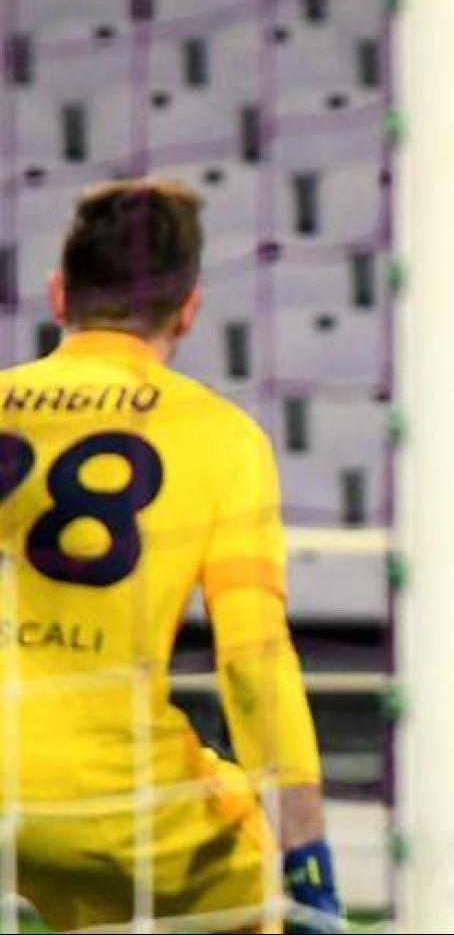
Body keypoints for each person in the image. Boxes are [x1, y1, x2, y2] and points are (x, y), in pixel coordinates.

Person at [1, 179, 341, 931]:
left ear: (58, 296)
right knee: (262, 891)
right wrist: (306, 852)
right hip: (113, 800)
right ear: (188, 311)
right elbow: (252, 661)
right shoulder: (218, 436)